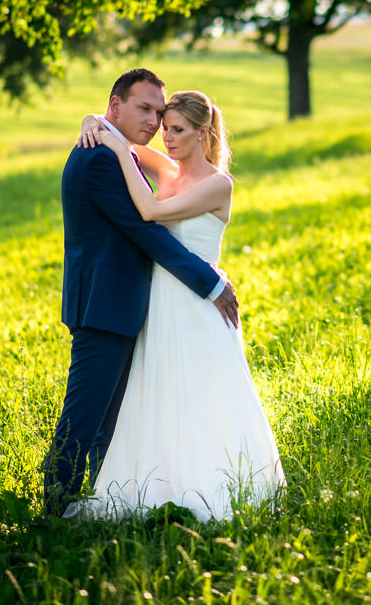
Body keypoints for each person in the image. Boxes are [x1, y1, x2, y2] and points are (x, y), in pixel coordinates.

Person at [64, 89, 285, 521]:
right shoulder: (169, 168)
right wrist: (93, 121)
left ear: (203, 133)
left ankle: (211, 483)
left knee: (203, 395)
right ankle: (161, 479)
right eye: (165, 128)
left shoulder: (218, 184)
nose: (166, 138)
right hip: (159, 301)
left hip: (199, 304)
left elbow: (146, 211)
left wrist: (116, 148)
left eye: (178, 130)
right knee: (157, 394)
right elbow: (117, 123)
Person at [43, 69, 240, 517]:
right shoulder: (99, 157)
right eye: (145, 110)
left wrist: (94, 121)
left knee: (113, 420)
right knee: (85, 417)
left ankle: (101, 496)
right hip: (104, 305)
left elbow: (143, 192)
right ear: (116, 106)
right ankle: (54, 508)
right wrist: (212, 282)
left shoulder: (117, 149)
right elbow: (141, 227)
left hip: (129, 305)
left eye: (161, 114)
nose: (155, 124)